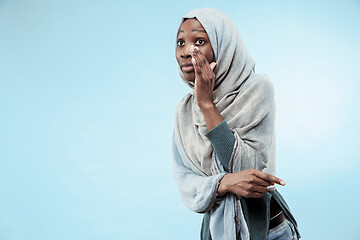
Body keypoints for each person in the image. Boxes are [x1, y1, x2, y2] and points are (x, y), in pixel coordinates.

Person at [172, 8, 300, 240]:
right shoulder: (184, 110)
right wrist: (226, 182)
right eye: (180, 42)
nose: (185, 51)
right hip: (215, 231)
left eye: (199, 41)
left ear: (224, 46)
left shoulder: (256, 89)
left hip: (268, 231)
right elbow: (187, 184)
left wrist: (207, 105)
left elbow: (247, 167)